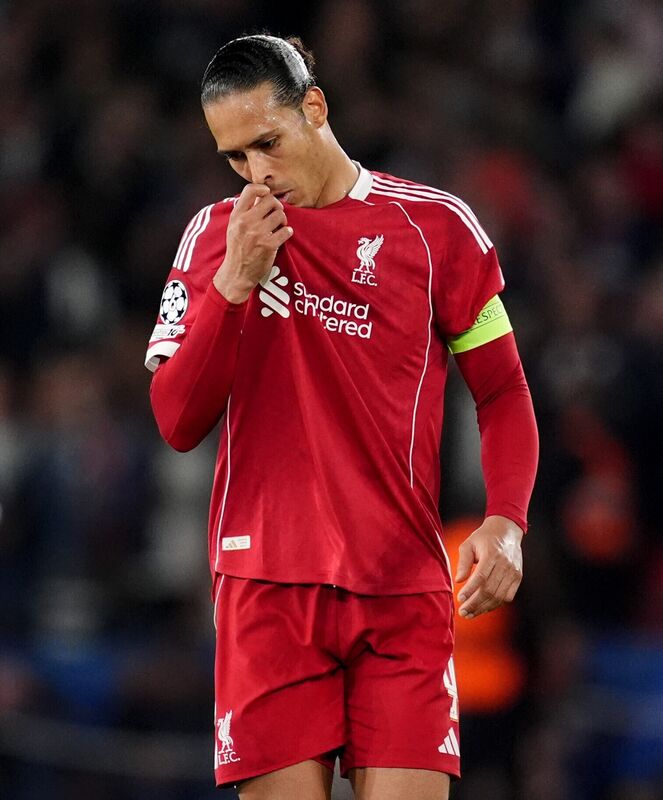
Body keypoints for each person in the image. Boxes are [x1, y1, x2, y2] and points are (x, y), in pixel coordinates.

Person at [145, 34, 538, 800]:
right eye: (234, 157)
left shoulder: (437, 231)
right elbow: (177, 421)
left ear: (314, 108)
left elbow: (504, 391)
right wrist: (233, 284)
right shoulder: (215, 238)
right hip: (266, 589)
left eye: (268, 142)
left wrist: (507, 521)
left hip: (401, 590)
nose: (257, 173)